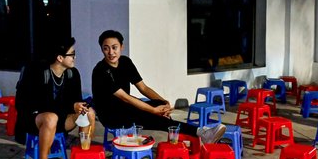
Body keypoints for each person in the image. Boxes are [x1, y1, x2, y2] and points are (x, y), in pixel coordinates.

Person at [91, 30, 225, 143]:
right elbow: (126, 98)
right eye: (106, 48)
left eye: (114, 47)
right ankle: (199, 132)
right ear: (101, 49)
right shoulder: (100, 70)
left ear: (121, 47)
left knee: (158, 104)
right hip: (111, 115)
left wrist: (164, 102)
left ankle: (185, 135)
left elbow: (143, 88)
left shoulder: (126, 62)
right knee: (154, 115)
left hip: (126, 107)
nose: (111, 52)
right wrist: (153, 111)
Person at [15, 37, 95, 159]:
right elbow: (28, 104)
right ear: (59, 57)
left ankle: (84, 158)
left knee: (89, 113)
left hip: (62, 118)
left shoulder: (72, 74)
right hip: (34, 120)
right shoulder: (38, 73)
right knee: (51, 118)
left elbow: (75, 100)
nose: (74, 57)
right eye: (72, 54)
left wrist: (80, 106)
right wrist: (71, 105)